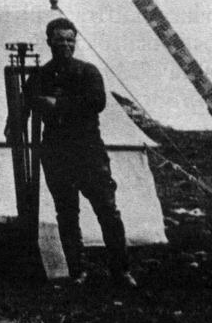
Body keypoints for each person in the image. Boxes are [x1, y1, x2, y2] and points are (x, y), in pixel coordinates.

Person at [19, 17, 135, 288]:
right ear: (49, 42)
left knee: (107, 210)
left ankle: (121, 270)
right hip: (57, 153)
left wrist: (58, 104)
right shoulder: (40, 76)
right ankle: (78, 271)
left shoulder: (87, 72)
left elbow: (97, 102)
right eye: (59, 40)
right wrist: (14, 125)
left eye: (70, 40)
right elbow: (24, 105)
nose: (65, 45)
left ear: (75, 42)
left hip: (88, 151)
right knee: (67, 213)